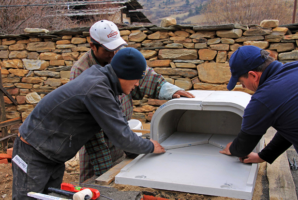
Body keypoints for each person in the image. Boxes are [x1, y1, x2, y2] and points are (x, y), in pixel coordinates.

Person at [12, 47, 166, 199]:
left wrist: (136, 149)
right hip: (33, 153)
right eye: (137, 78)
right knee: (29, 198)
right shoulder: (97, 89)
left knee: (51, 196)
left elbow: (117, 127)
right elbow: (122, 137)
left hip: (52, 154)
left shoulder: (103, 80)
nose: (138, 84)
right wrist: (151, 146)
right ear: (125, 74)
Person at [70, 20, 195, 183]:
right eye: (108, 50)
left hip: (121, 132)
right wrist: (105, 175)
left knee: (123, 171)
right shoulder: (82, 72)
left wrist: (169, 90)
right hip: (97, 140)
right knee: (96, 184)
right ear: (93, 46)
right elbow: (93, 130)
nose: (114, 53)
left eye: (116, 48)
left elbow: (143, 74)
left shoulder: (118, 54)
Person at [220, 45, 298, 164]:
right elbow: (291, 128)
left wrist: (232, 148)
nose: (243, 86)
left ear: (253, 75)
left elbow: (243, 148)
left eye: (241, 82)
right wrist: (263, 156)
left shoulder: (264, 98)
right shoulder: (296, 67)